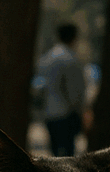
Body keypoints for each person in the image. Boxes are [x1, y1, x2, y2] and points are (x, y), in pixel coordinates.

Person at [38, 23, 89, 157]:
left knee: (55, 153)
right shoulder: (71, 59)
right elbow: (75, 90)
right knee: (68, 153)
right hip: (67, 113)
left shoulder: (47, 58)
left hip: (50, 112)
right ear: (74, 37)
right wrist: (81, 110)